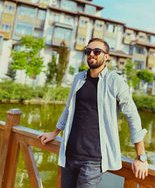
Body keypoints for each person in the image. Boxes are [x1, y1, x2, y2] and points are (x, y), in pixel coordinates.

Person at [38, 38, 148, 187]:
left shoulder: (115, 81)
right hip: (69, 154)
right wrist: (54, 133)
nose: (91, 54)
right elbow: (68, 109)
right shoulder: (78, 78)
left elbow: (132, 117)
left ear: (106, 56)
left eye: (97, 51)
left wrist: (141, 157)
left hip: (93, 161)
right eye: (88, 51)